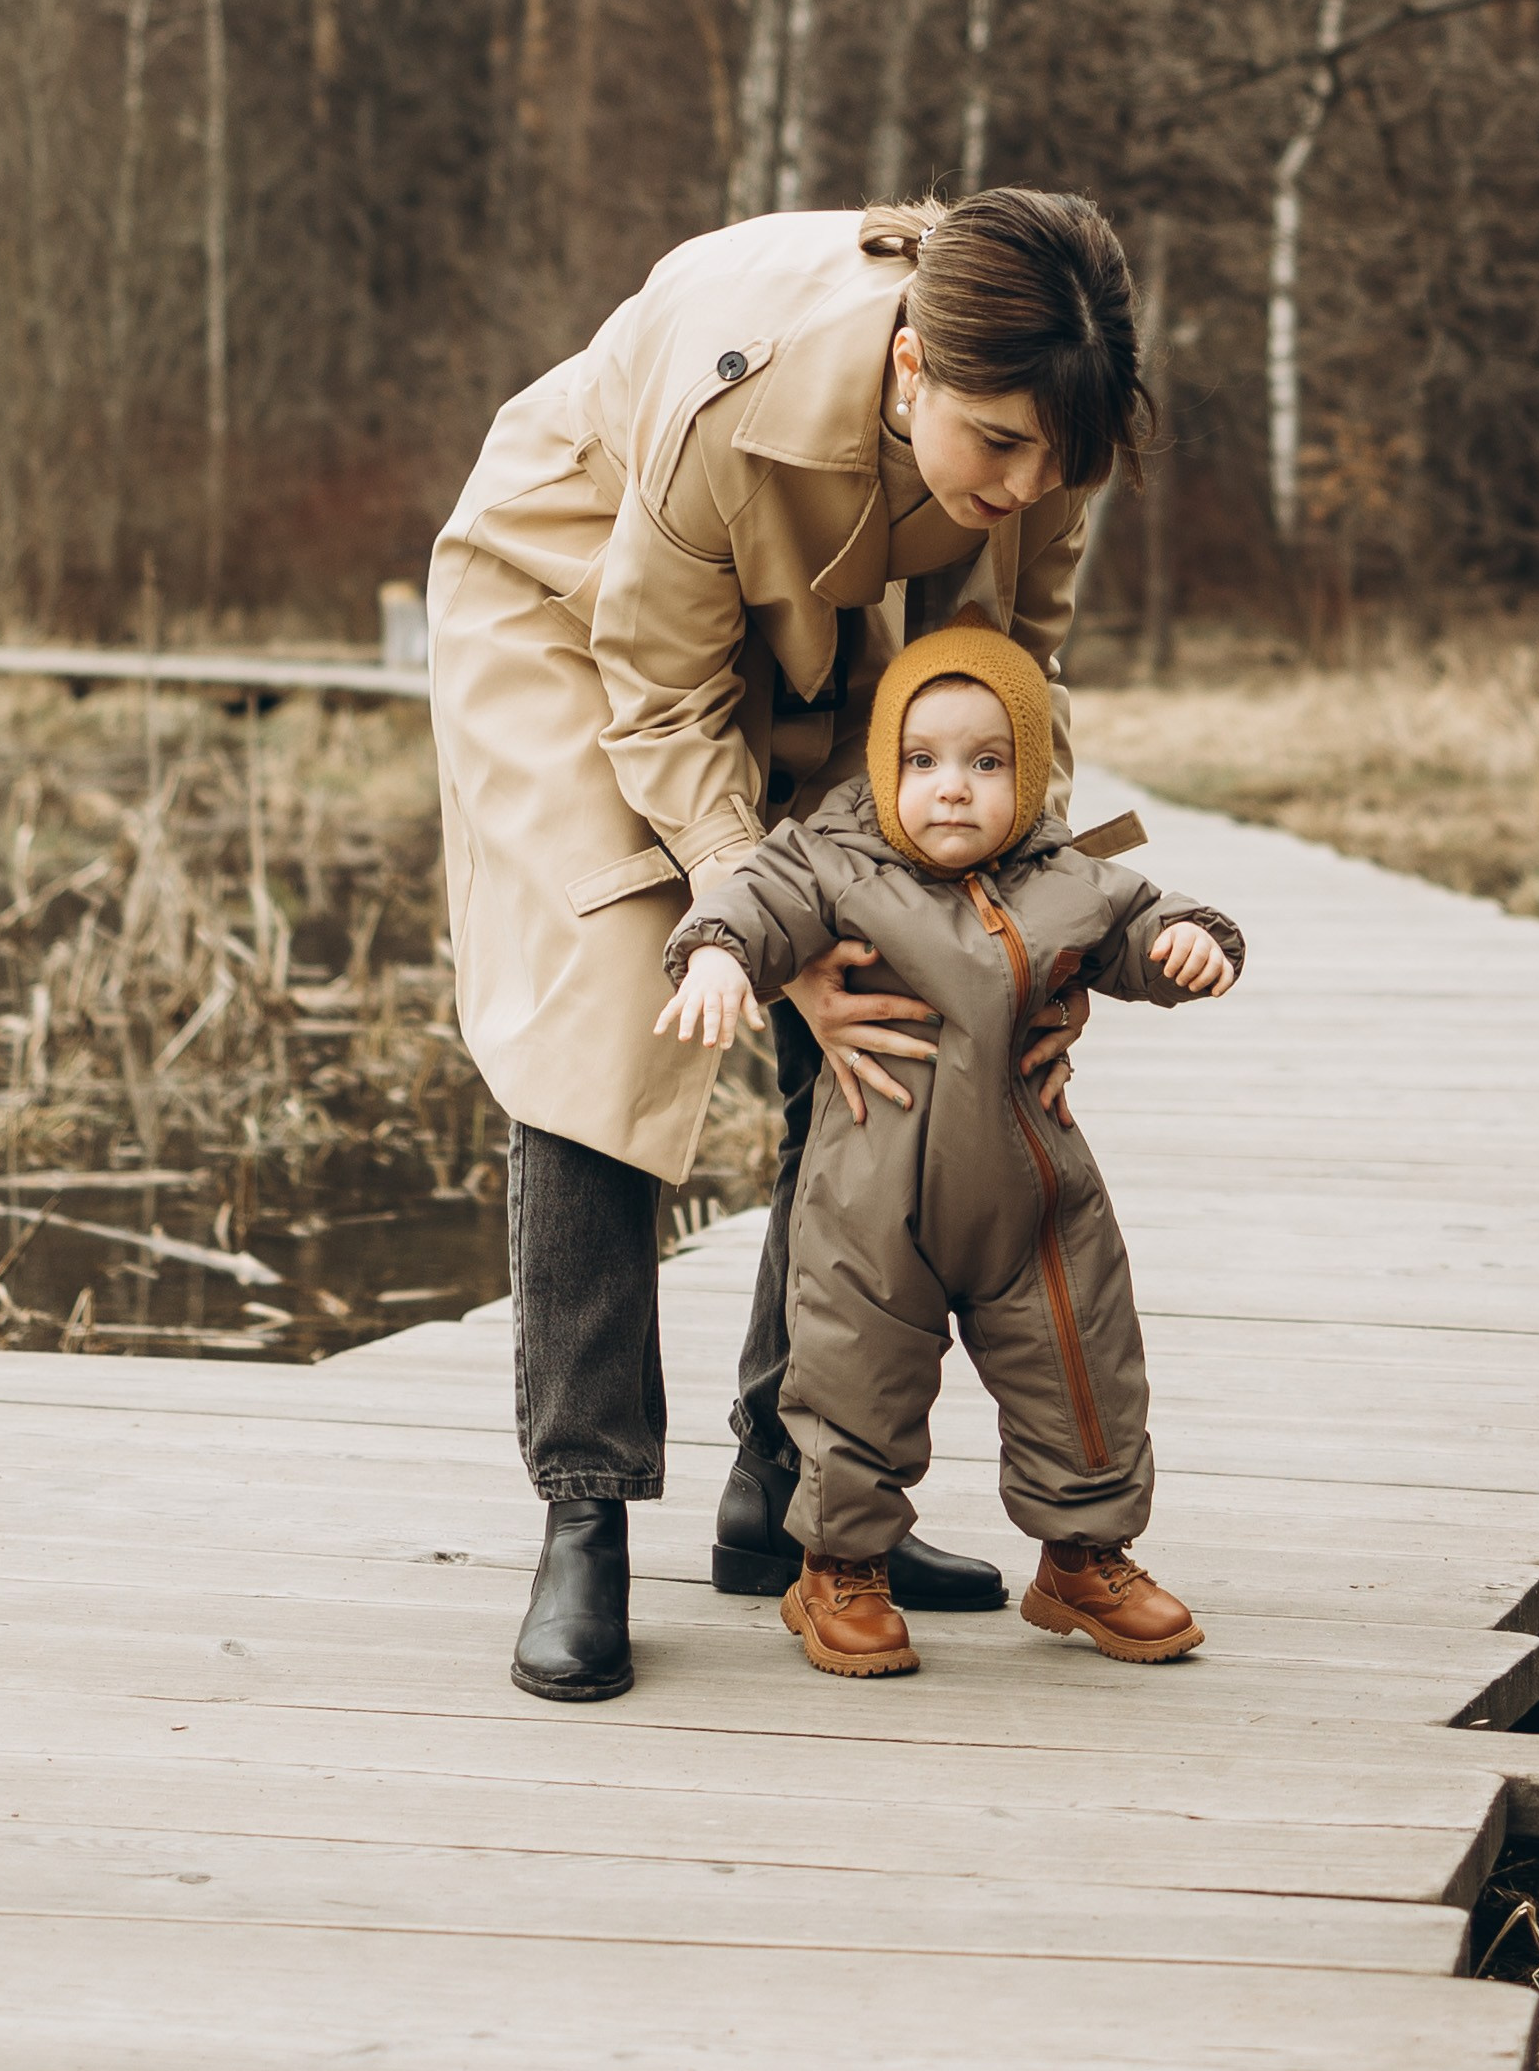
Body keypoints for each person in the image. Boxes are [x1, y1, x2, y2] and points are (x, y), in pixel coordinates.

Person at [428, 191, 1152, 1702]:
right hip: (582, 614)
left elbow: (1018, 675)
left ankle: (792, 1483)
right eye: (998, 448)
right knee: (618, 1010)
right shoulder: (735, 394)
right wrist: (767, 938)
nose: (1027, 489)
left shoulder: (1045, 423)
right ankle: (585, 1502)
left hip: (836, 630)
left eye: (1057, 461)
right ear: (908, 370)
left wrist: (1019, 937)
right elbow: (662, 697)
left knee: (901, 983)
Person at [654, 618, 1243, 1680]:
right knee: (851, 1375)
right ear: (885, 769)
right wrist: (715, 955)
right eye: (921, 762)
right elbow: (753, 898)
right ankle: (838, 1566)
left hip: (1035, 1195)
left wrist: (1187, 943)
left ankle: (1084, 1554)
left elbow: (1143, 914)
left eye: (985, 763)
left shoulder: (1067, 873)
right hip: (874, 1198)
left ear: (1028, 775)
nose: (953, 788)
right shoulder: (832, 862)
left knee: (1081, 1364)